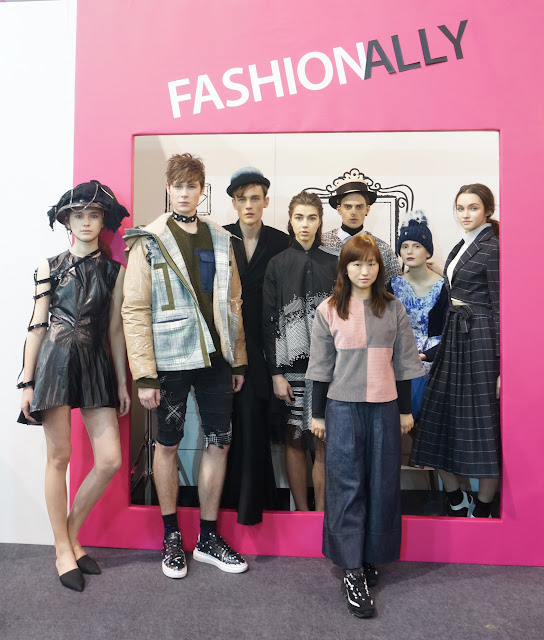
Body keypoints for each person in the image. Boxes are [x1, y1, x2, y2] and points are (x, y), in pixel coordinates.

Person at [122, 153, 248, 579]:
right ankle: (172, 535)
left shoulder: (220, 238)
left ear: (202, 190)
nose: (185, 193)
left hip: (216, 358)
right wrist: (144, 374)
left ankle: (208, 538)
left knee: (219, 442)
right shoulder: (148, 239)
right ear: (169, 188)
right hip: (170, 360)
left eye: (192, 186)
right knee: (168, 444)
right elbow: (135, 308)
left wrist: (238, 360)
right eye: (178, 186)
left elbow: (234, 303)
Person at [19, 180, 130, 592]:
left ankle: (68, 534)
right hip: (55, 360)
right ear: (67, 221)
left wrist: (122, 382)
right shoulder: (49, 266)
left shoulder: (115, 271)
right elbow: (37, 326)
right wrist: (26, 381)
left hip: (96, 361)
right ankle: (64, 550)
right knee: (59, 457)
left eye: (93, 215)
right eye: (78, 215)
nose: (86, 222)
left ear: (103, 221)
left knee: (110, 460)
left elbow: (115, 330)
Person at [306, 234, 423, 618]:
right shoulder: (328, 310)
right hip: (342, 408)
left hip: (385, 408)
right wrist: (317, 414)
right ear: (345, 267)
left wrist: (405, 411)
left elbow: (404, 365)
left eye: (371, 263)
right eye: (357, 263)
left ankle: (370, 555)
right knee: (346, 484)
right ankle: (351, 568)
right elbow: (320, 367)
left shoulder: (393, 309)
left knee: (382, 483)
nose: (364, 270)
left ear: (379, 267)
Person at [410, 184, 500, 518]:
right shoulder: (462, 245)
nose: (465, 214)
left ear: (487, 210)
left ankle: (484, 505)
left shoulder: (493, 248)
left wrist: (502, 364)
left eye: (473, 208)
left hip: (480, 337)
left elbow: (500, 306)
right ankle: (457, 497)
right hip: (455, 335)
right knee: (437, 416)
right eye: (460, 208)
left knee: (484, 423)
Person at [222, 167, 289, 525]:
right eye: (241, 199)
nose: (248, 204)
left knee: (254, 424)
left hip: (265, 347)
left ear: (265, 201)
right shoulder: (219, 237)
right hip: (226, 346)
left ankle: (250, 508)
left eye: (254, 198)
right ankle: (226, 507)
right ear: (233, 202)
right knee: (224, 430)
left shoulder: (280, 242)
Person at [263, 191, 337, 512]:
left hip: (328, 369)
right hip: (289, 369)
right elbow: (268, 322)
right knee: (293, 441)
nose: (305, 224)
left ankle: (320, 516)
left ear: (320, 221)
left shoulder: (334, 263)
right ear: (290, 221)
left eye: (311, 218)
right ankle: (301, 513)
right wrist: (276, 374)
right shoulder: (277, 264)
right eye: (299, 217)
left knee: (323, 442)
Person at [387, 211, 447, 420]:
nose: (409, 251)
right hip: (400, 358)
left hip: (436, 359)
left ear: (428, 251)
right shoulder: (393, 286)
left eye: (416, 246)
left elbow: (451, 331)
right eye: (404, 246)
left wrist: (426, 355)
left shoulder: (444, 287)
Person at [321, 179, 401, 284]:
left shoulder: (382, 249)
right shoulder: (323, 245)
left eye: (359, 207)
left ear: (367, 209)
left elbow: (395, 287)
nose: (353, 212)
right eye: (348, 207)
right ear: (339, 210)